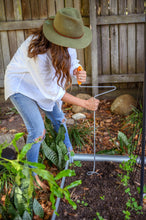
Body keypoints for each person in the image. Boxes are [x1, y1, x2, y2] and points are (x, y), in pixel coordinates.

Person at [4, 8, 100, 189]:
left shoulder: (65, 40)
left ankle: (69, 154)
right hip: (21, 86)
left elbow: (72, 61)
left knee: (59, 118)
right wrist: (84, 103)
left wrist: (77, 71)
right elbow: (52, 91)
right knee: (38, 131)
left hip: (42, 85)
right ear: (58, 38)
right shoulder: (38, 52)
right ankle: (33, 174)